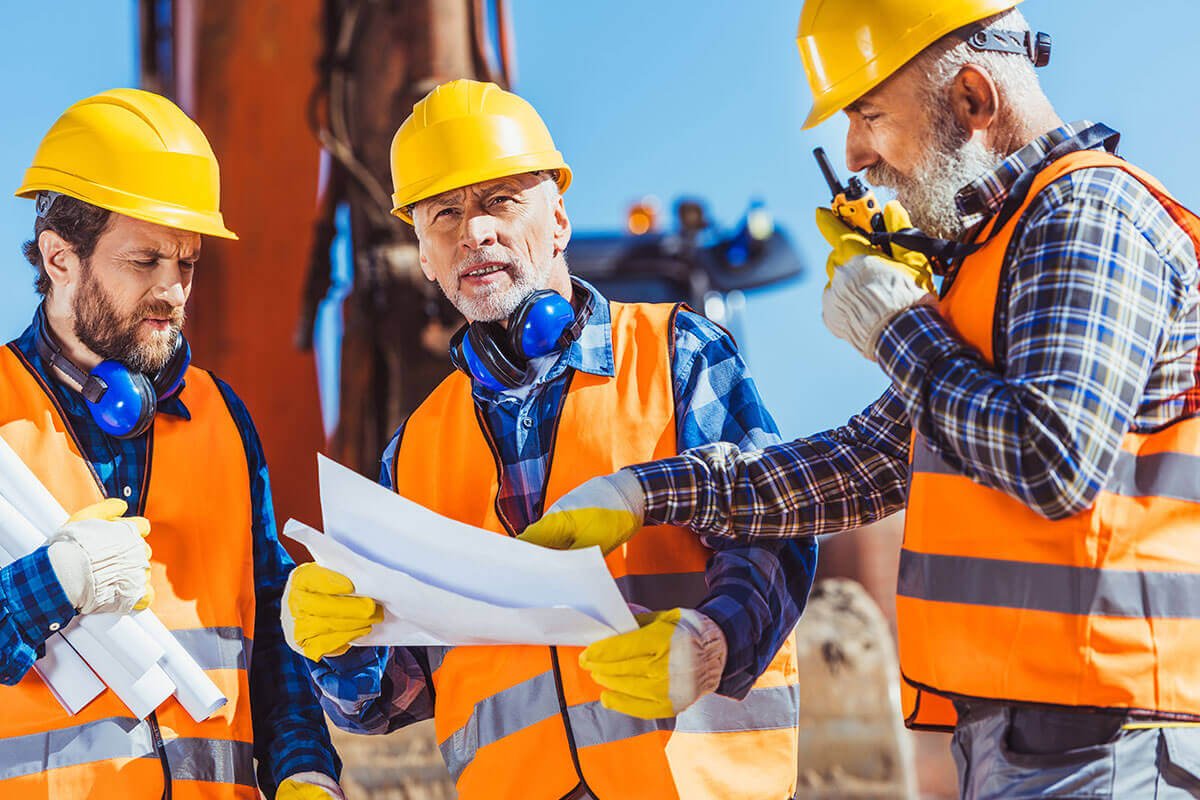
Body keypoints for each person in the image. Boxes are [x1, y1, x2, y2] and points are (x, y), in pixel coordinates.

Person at [519, 2, 1200, 798]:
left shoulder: (1087, 219)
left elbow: (1051, 458)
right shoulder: (995, 252)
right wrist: (646, 492)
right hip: (1033, 745)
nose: (853, 153)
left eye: (870, 113)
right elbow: (865, 463)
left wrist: (896, 328)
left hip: (1108, 744)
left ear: (974, 100)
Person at [282, 79, 816, 800]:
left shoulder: (676, 354)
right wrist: (336, 643)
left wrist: (714, 643)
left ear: (558, 219)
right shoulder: (412, 452)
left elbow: (773, 535)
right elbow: (388, 701)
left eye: (501, 201)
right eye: (445, 213)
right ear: (427, 257)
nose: (474, 231)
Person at [0, 89, 343, 799]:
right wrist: (49, 586)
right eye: (145, 261)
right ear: (60, 259)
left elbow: (272, 638)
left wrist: (306, 769)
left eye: (186, 264)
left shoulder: (222, 417)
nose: (173, 291)